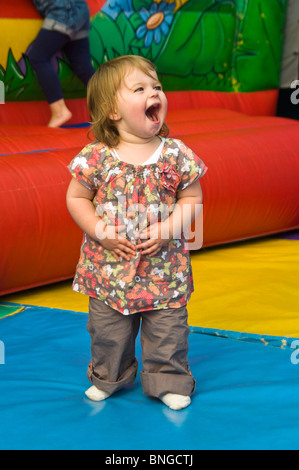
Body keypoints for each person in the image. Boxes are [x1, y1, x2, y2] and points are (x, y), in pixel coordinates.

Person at [66, 55, 207, 410]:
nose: (154, 93)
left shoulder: (175, 154)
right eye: (140, 88)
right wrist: (100, 230)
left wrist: (168, 227)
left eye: (157, 86)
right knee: (107, 333)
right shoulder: (96, 157)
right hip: (109, 271)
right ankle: (107, 377)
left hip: (164, 272)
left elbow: (191, 198)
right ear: (112, 110)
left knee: (168, 331)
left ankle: (169, 381)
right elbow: (76, 198)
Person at [27, 0, 95, 128]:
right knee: (82, 66)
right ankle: (116, 105)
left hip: (63, 11)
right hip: (79, 10)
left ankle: (59, 111)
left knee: (38, 57)